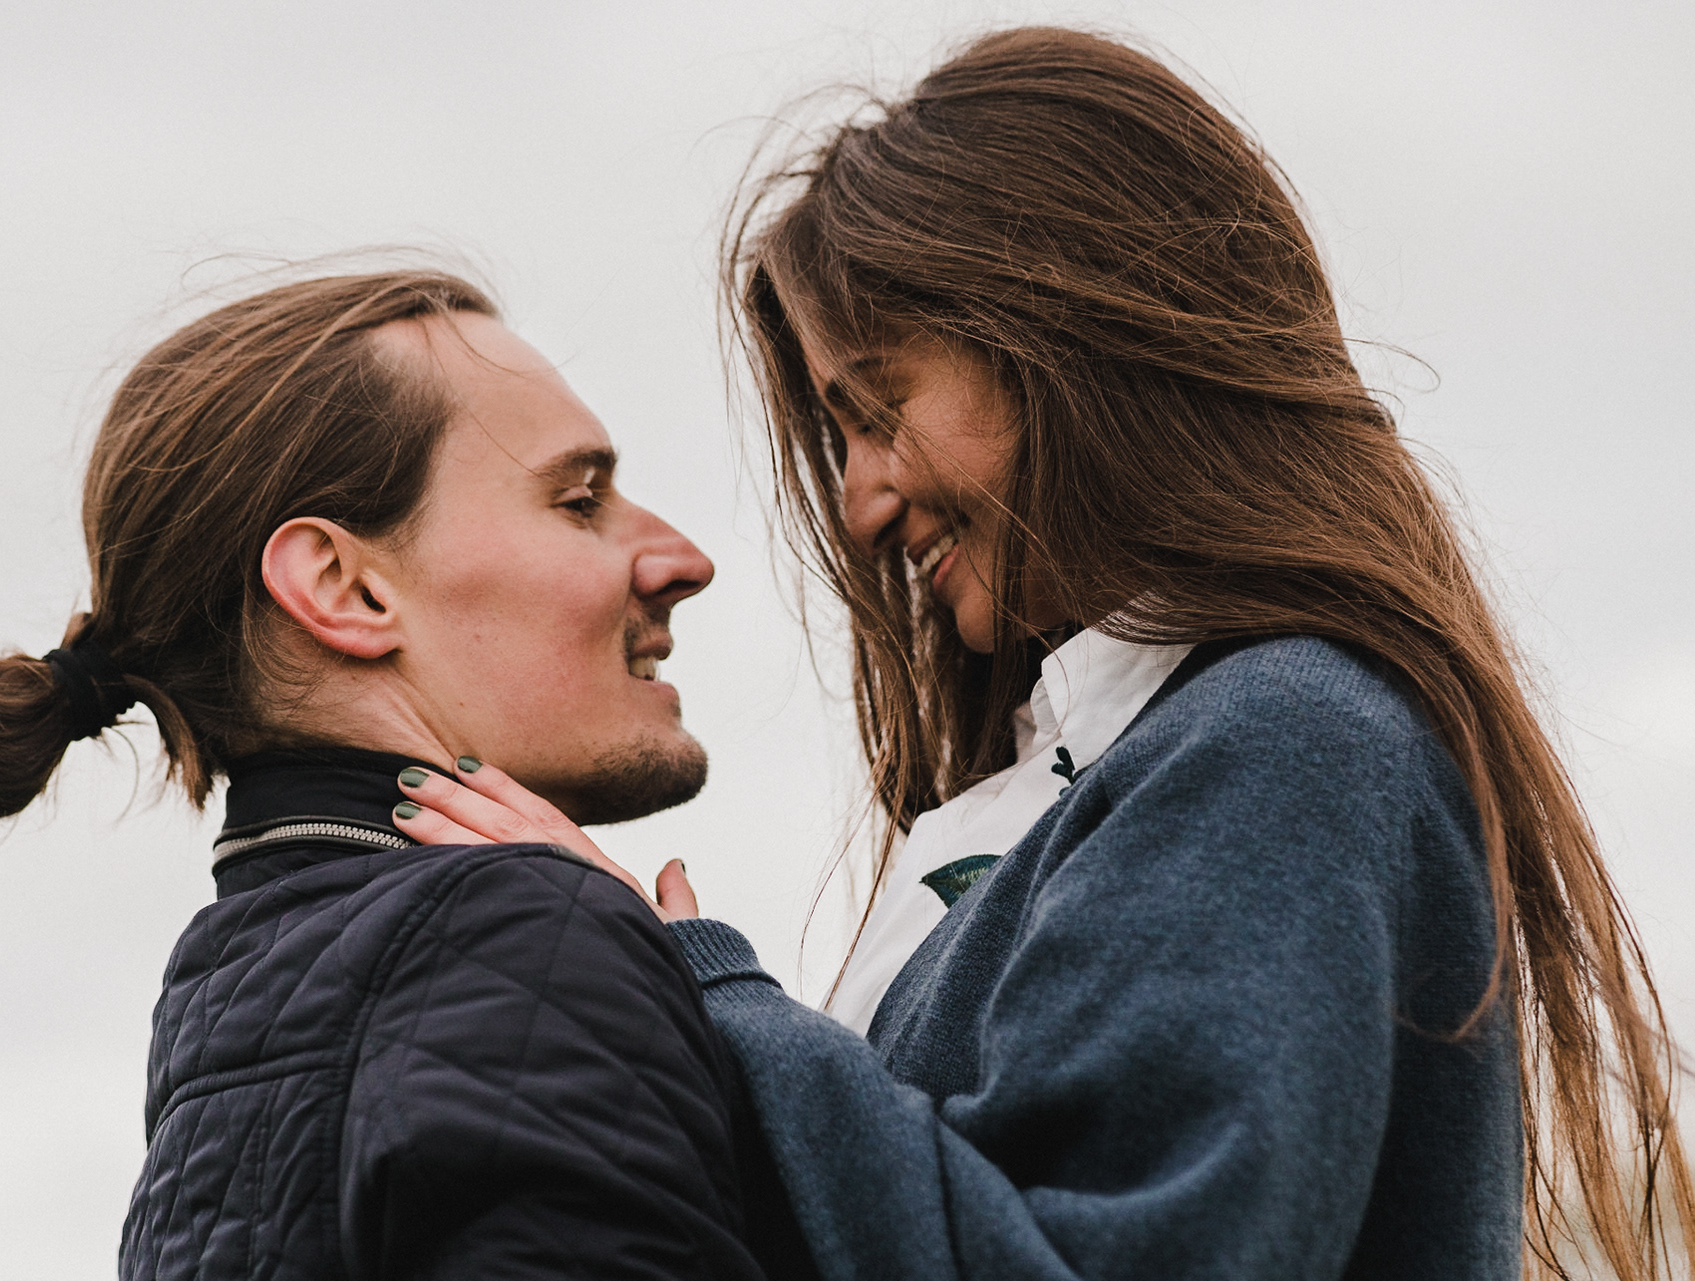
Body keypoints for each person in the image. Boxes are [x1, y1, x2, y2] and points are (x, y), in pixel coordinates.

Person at [397, 27, 1695, 1281]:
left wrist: (700, 995)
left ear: (1067, 347)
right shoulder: (1097, 764)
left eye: (879, 410)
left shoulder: (1281, 741)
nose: (859, 502)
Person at [0, 271, 811, 1280]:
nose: (682, 559)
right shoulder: (522, 934)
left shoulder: (225, 993)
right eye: (578, 501)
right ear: (343, 588)